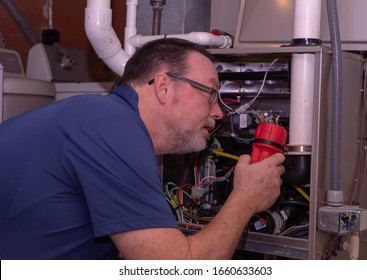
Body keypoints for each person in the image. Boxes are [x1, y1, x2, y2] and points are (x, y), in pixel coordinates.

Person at [0, 38, 285, 259]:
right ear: (163, 87)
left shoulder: (103, 117)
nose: (219, 112)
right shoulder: (112, 126)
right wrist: (246, 198)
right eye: (210, 93)